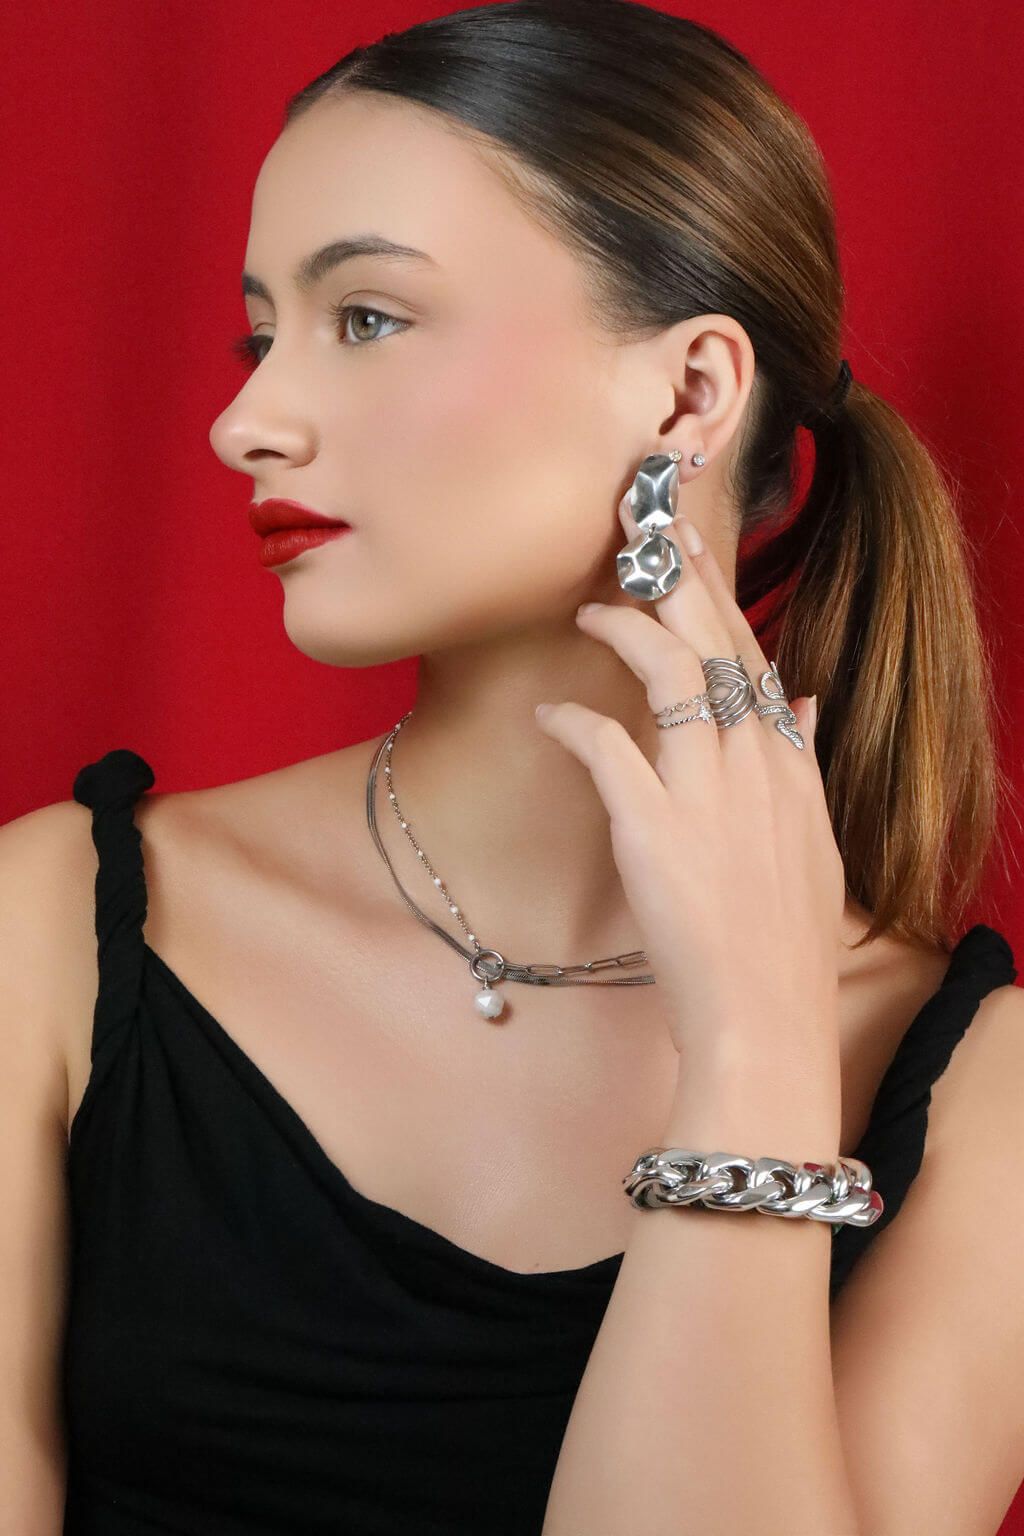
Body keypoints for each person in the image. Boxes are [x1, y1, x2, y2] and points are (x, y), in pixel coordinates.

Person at [3, 2, 1022, 1532]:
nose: (242, 422)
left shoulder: (985, 1101)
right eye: (260, 335)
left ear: (689, 395)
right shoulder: (49, 934)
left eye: (367, 318)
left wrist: (755, 1053)